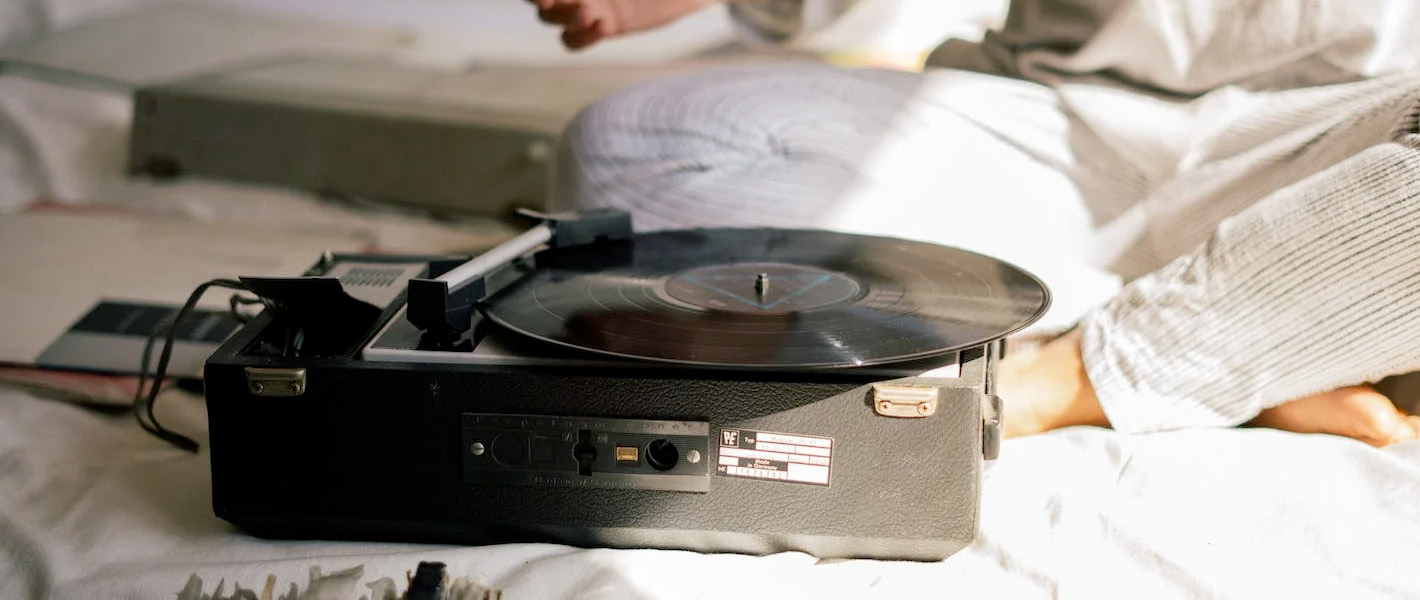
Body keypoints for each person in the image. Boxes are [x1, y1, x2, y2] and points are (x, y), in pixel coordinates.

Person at [527, 0, 1420, 446]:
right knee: (633, 152)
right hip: (1071, 118)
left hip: (1356, 138)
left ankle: (1092, 373)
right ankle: (1259, 341)